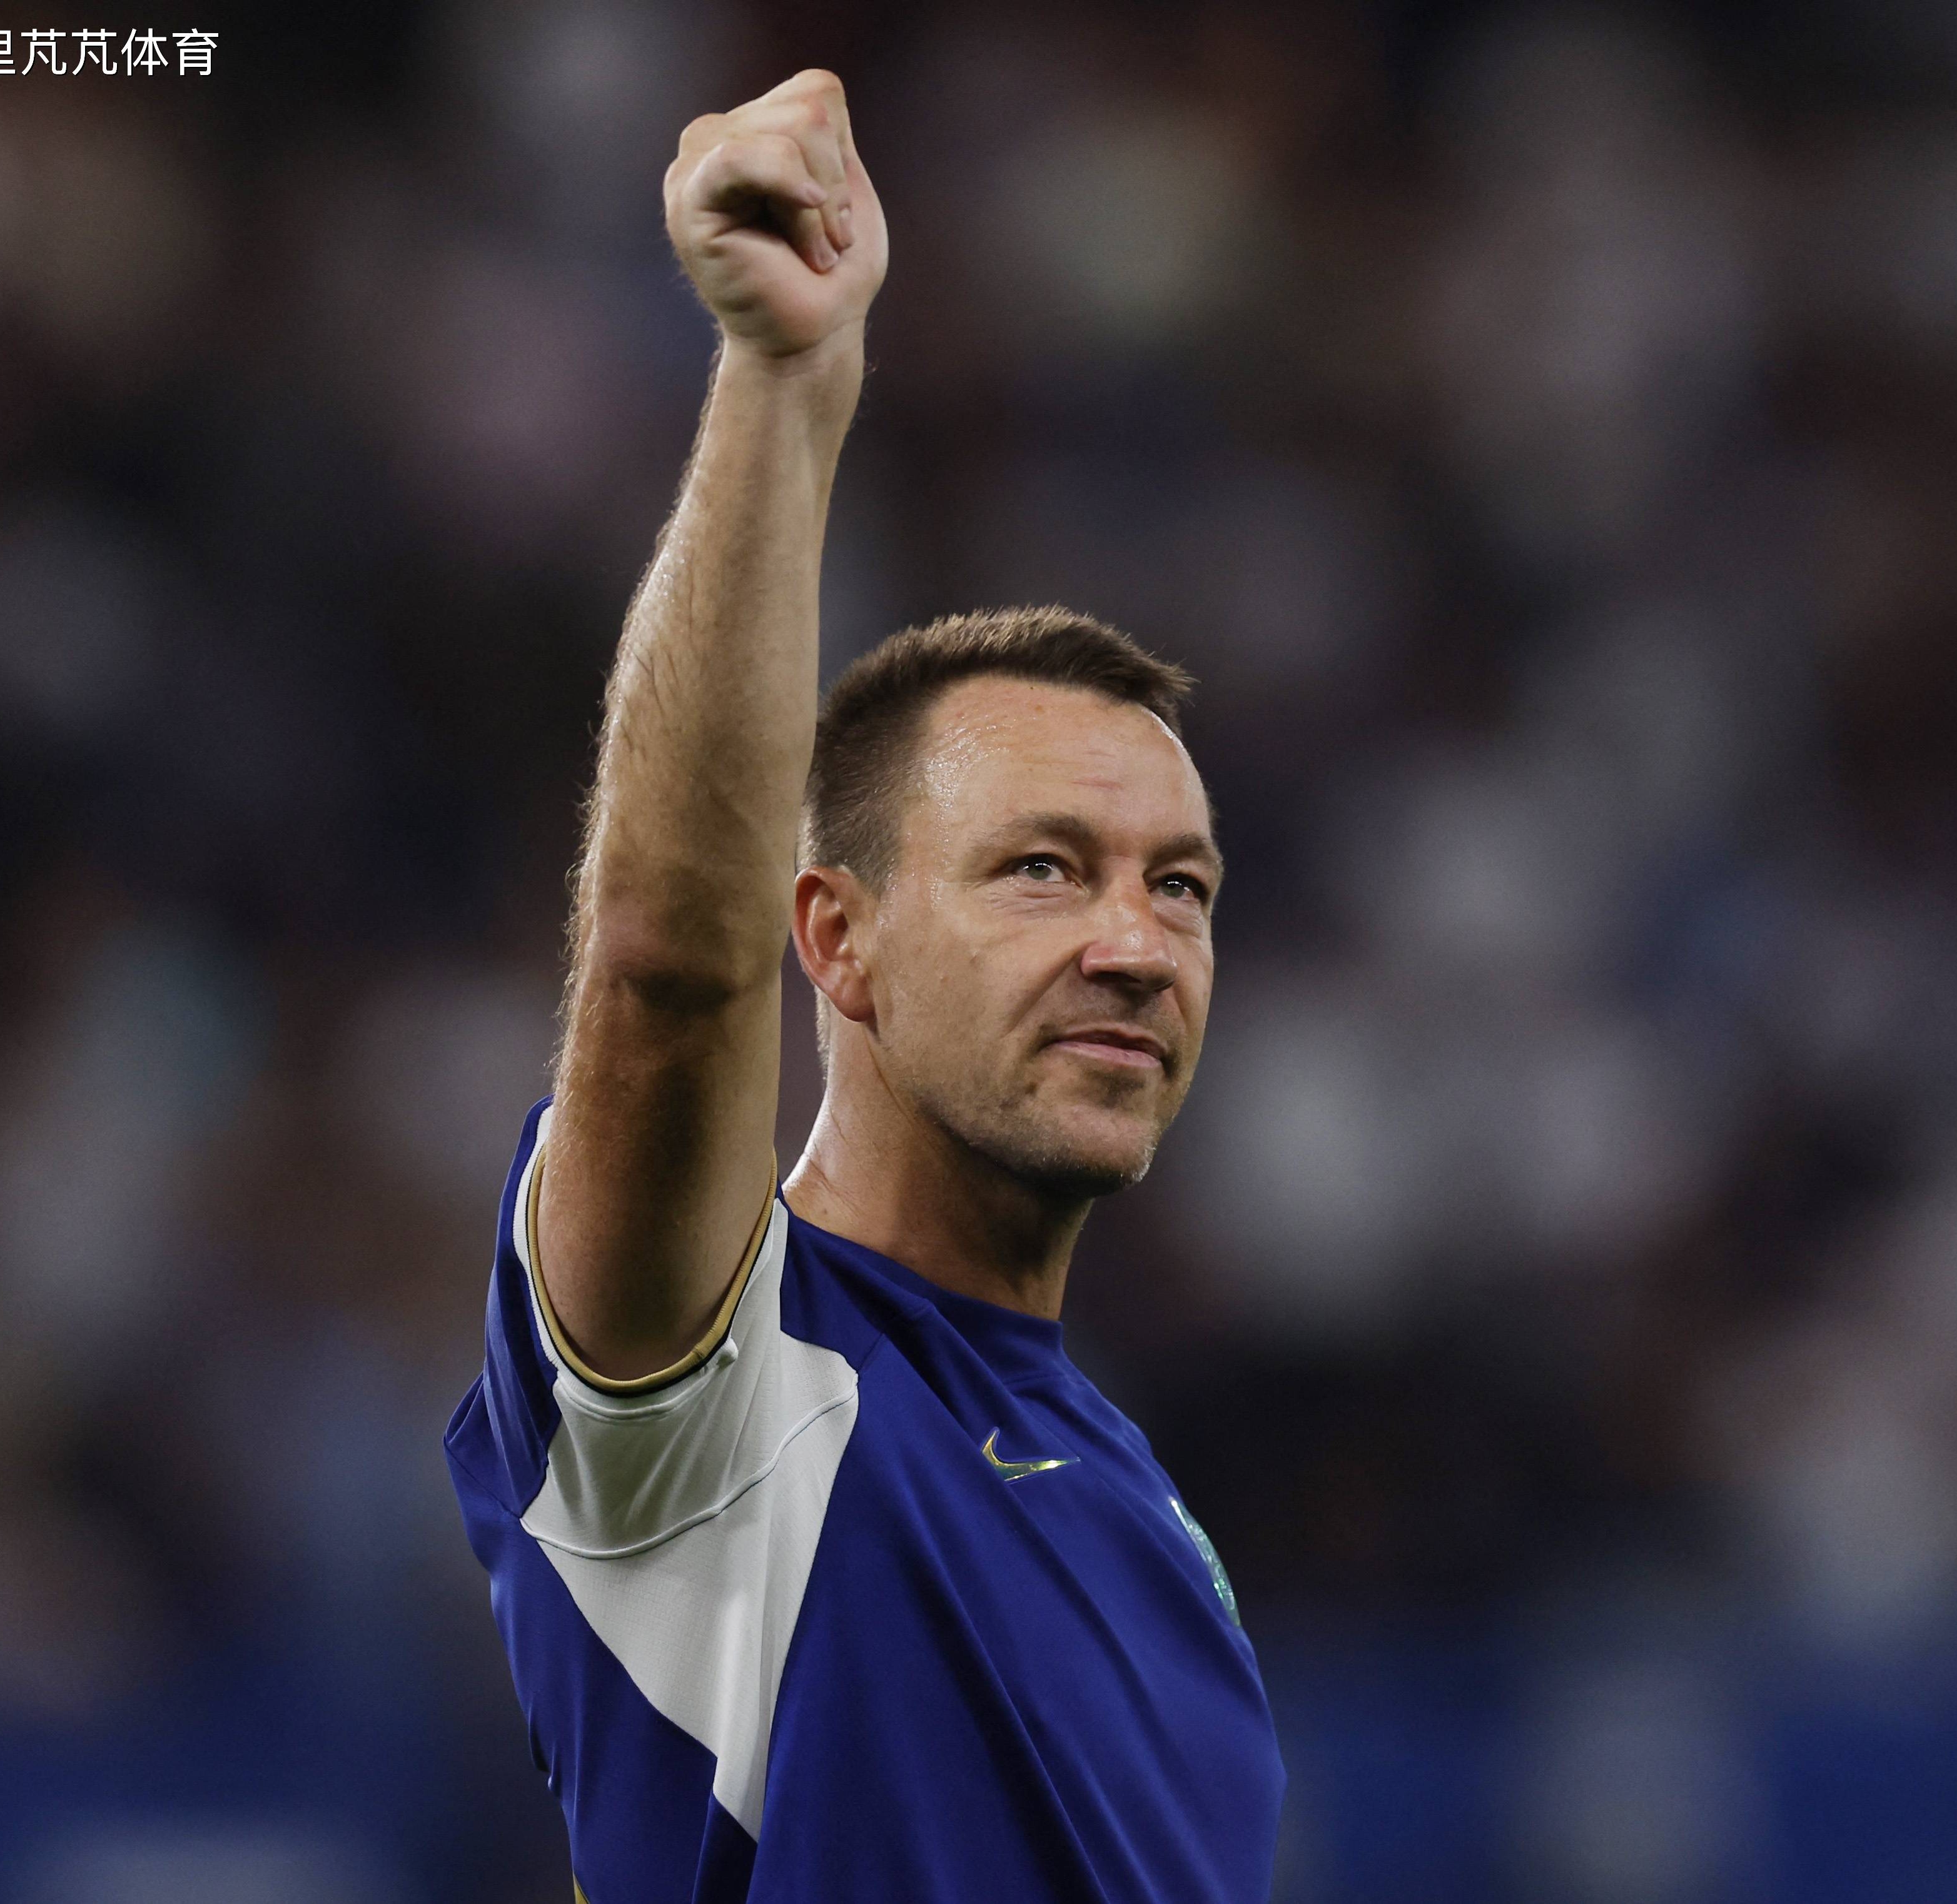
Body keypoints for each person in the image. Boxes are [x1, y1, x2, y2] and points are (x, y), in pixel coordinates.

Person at [443, 68, 1283, 1903]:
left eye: (1181, 887)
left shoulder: (1146, 1517)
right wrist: (785, 380)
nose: (1134, 944)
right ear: (834, 940)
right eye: (1041, 869)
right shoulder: (722, 1395)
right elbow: (665, 975)